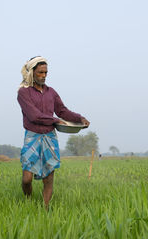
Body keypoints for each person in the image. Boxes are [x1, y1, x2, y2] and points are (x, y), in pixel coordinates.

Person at [17, 56, 90, 209]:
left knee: (49, 176)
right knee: (26, 178)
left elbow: (62, 111)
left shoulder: (51, 92)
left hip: (50, 137)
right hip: (32, 136)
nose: (43, 76)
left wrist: (79, 118)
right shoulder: (23, 93)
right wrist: (55, 120)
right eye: (40, 72)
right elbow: (34, 115)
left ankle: (46, 207)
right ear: (31, 72)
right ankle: (29, 202)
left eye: (46, 73)